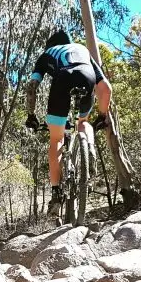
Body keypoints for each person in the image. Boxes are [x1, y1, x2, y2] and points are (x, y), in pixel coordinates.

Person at [24, 30, 112, 215]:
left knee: (56, 139)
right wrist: (102, 116)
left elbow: (32, 86)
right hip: (86, 76)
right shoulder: (82, 49)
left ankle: (56, 194)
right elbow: (106, 88)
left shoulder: (48, 53)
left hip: (62, 80)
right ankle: (89, 146)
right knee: (83, 122)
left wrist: (31, 115)